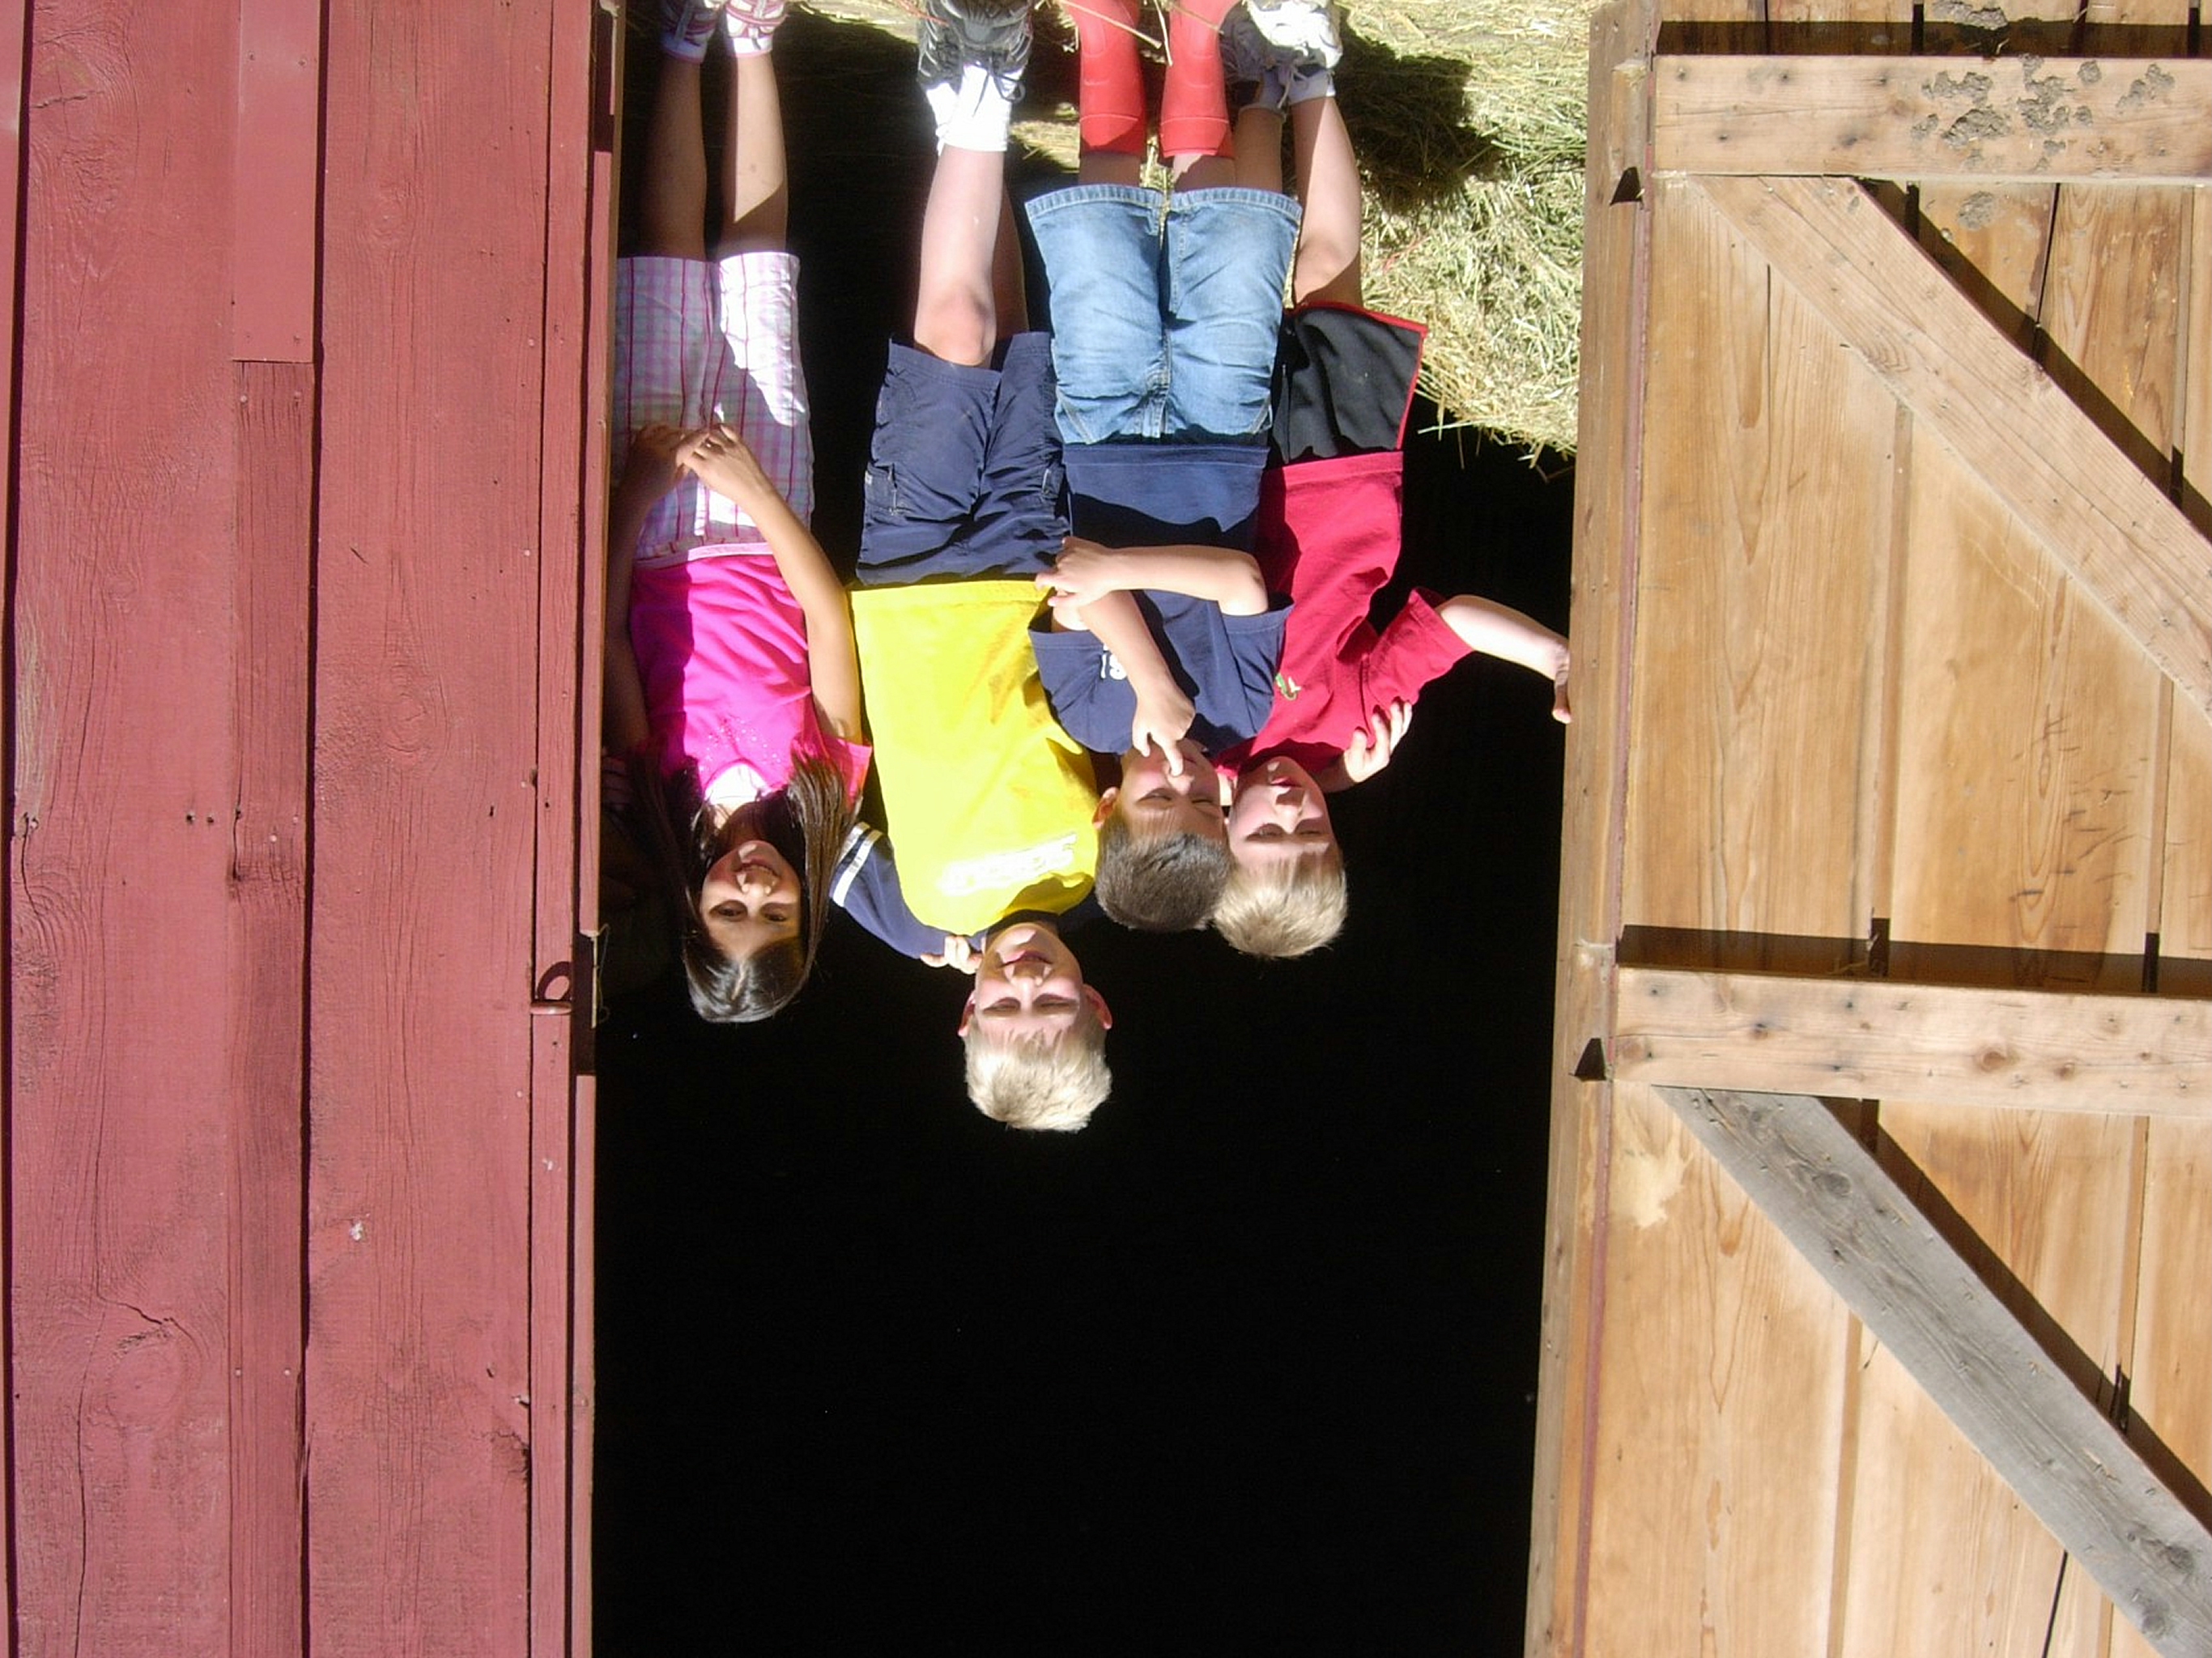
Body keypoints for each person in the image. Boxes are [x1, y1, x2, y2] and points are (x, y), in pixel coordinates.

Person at [1208, 0, 1572, 959]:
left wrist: (1333, 782)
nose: (1291, 811)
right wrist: (1554, 660)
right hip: (1341, 477)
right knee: (1328, 273)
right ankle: (1310, 74)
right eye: (1312, 833)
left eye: (1266, 835)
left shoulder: (1196, 751)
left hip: (1220, 470)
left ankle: (1253, 90)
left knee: (1243, 277)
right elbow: (1452, 623)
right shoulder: (1349, 728)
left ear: (1224, 837)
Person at [843, 0, 1112, 1128]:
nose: (1026, 983)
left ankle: (979, 81)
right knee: (1007, 328)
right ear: (1097, 1002)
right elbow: (1156, 757)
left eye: (1004, 1009)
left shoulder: (912, 911)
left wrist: (912, 934)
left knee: (952, 335)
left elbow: (815, 825)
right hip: (1027, 562)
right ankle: (974, 105)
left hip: (909, 580)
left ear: (966, 1014)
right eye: (1053, 1004)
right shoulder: (1095, 870)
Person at [602, 0, 867, 1022]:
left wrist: (632, 499)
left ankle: (679, 43)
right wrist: (755, 490)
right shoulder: (827, 785)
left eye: (729, 909)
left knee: (668, 255)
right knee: (755, 254)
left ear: (693, 903)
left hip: (658, 516)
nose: (753, 886)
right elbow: (828, 619)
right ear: (806, 907)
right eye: (775, 910)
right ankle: (753, 38)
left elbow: (613, 645)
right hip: (767, 511)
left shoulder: (656, 792)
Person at [1021, 0, 1302, 931]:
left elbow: (1072, 578)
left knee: (1099, 241)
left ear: (1108, 806)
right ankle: (1195, 36)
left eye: (1157, 797)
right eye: (1203, 803)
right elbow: (1239, 580)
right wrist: (1120, 579)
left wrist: (1148, 681)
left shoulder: (1088, 715)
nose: (1183, 775)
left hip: (1099, 429)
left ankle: (1103, 33)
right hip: (1221, 433)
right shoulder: (1239, 711)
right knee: (1229, 236)